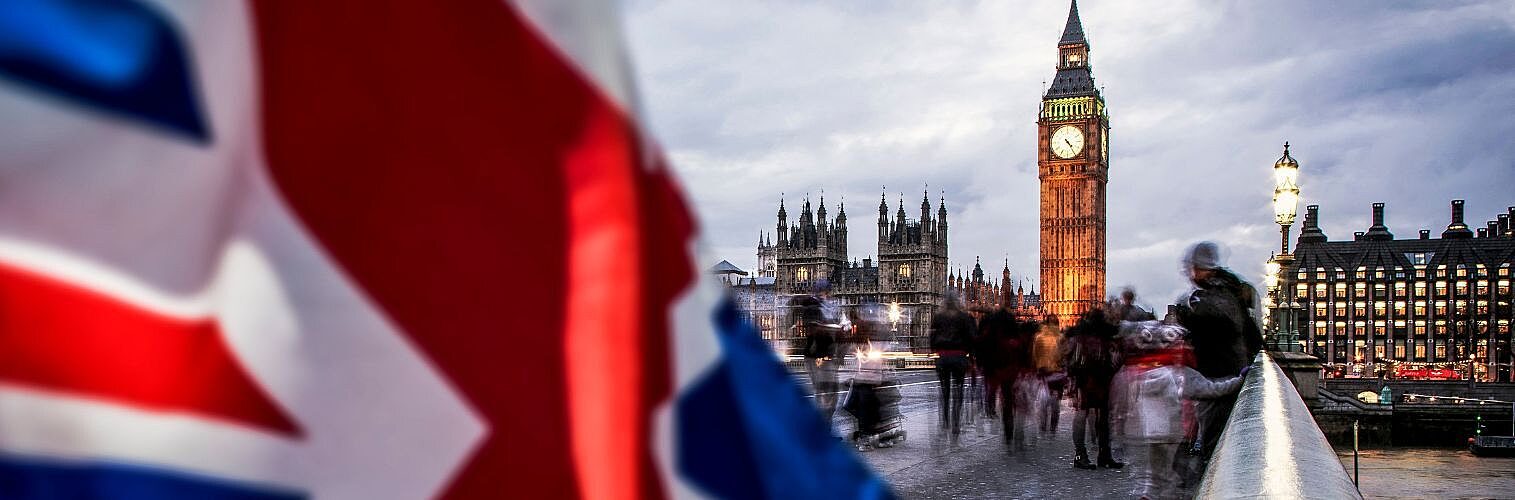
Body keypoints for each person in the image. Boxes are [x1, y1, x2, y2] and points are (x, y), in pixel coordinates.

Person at [1114, 321, 1244, 500]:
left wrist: (1121, 428)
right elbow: (1212, 390)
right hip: (1173, 434)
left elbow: (1123, 403)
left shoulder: (1141, 372)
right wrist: (1239, 379)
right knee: (1174, 479)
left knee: (1151, 479)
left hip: (1147, 434)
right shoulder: (1181, 374)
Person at [1173, 242, 1263, 467]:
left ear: (1204, 268)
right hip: (1227, 374)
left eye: (1193, 268)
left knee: (1216, 448)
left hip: (1221, 376)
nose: (1190, 273)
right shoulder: (1231, 290)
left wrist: (1186, 315)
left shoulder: (1215, 296)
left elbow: (1219, 327)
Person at [1064, 308, 1124, 470]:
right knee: (1094, 417)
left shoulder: (1083, 339)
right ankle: (1094, 455)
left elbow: (1071, 362)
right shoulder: (1098, 340)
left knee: (1091, 417)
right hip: (1092, 382)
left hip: (1091, 382)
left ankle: (1090, 455)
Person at [795, 280, 845, 425]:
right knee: (824, 392)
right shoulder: (812, 307)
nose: (827, 295)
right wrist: (834, 328)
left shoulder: (829, 307)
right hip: (815, 355)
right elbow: (813, 328)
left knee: (831, 393)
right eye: (825, 292)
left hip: (827, 354)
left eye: (828, 292)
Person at [930, 291, 976, 436]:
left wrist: (934, 349)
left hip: (943, 357)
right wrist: (971, 355)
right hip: (959, 357)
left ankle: (945, 420)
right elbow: (971, 337)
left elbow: (932, 335)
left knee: (945, 390)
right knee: (959, 389)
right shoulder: (963, 317)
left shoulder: (939, 316)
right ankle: (956, 422)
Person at [1031, 315, 1066, 434]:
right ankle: (1053, 428)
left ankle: (1043, 426)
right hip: (1057, 373)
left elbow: (1034, 355)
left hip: (1043, 372)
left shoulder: (1039, 337)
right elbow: (1064, 355)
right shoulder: (1061, 338)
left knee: (1043, 401)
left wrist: (1037, 367)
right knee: (1056, 403)